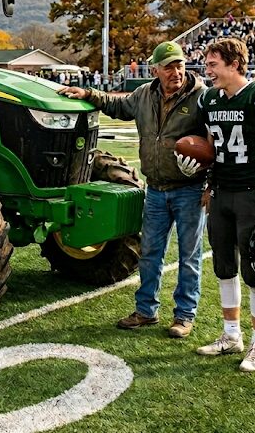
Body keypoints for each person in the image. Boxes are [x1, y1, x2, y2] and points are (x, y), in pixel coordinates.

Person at [59, 40, 208, 338]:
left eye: (179, 65)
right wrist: (88, 94)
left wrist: (209, 181)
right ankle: (146, 310)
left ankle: (184, 316)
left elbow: (216, 140)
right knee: (150, 253)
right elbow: (117, 105)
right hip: (156, 190)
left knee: (189, 256)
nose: (176, 72)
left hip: (189, 190)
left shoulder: (201, 97)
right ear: (155, 70)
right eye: (168, 67)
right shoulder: (144, 95)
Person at [183, 37, 255, 373]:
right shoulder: (209, 99)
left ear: (234, 64)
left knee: (254, 272)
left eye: (213, 64)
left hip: (251, 192)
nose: (208, 71)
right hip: (221, 192)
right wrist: (204, 179)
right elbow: (211, 147)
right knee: (224, 266)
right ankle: (231, 335)